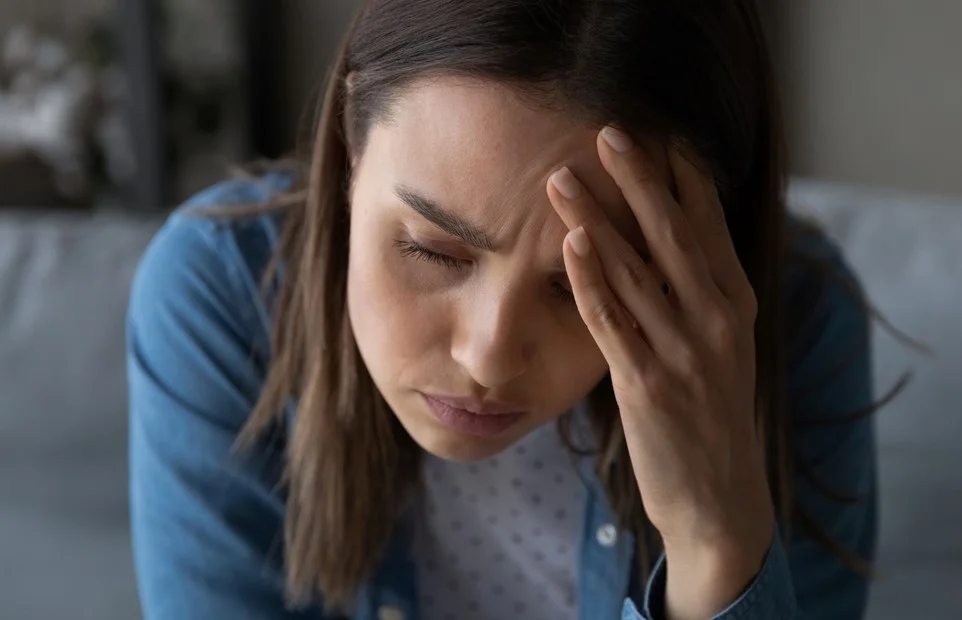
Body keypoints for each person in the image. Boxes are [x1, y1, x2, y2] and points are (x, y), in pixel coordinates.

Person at [126, 0, 877, 618]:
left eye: (578, 289)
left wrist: (714, 539)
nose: (488, 357)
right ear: (352, 142)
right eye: (432, 250)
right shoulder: (222, 298)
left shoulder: (794, 325)